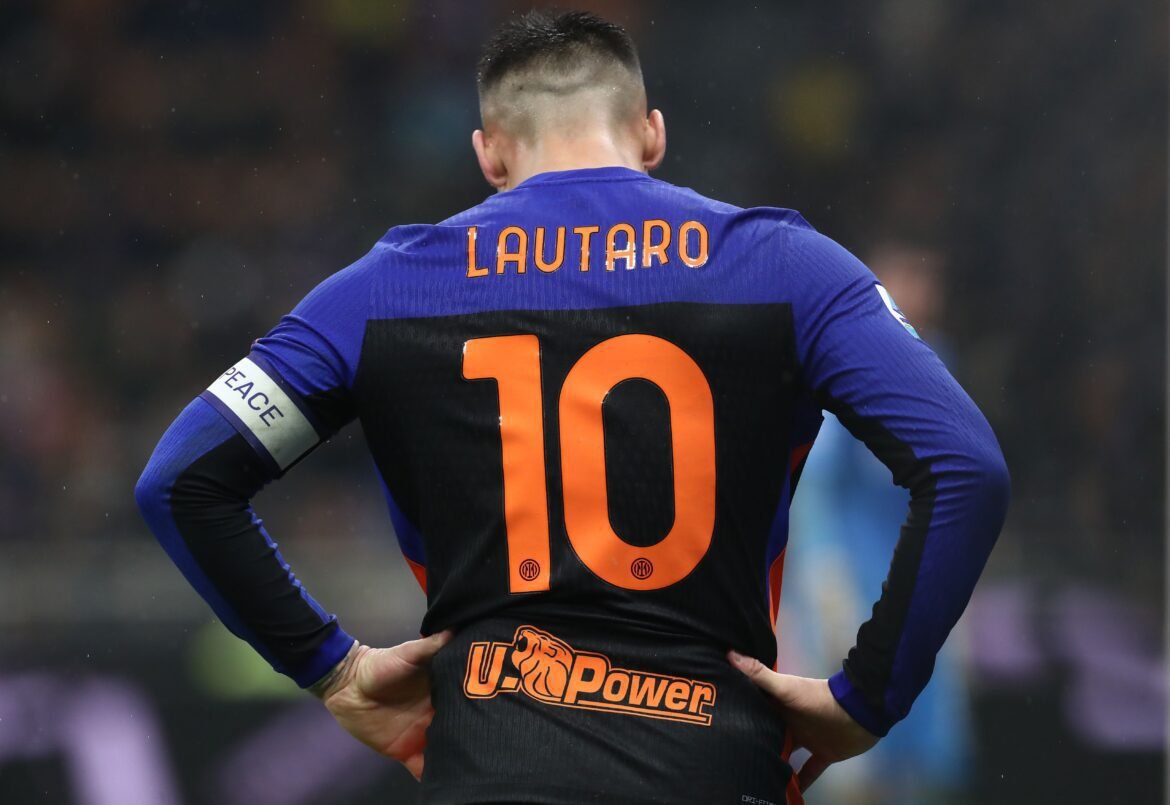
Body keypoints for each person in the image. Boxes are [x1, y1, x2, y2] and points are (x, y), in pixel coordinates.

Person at [135, 11, 1009, 804]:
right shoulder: (788, 267)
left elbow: (183, 480)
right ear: (652, 132)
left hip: (489, 767)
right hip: (715, 763)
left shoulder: (384, 290)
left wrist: (330, 666)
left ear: (489, 154)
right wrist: (870, 694)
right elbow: (965, 466)